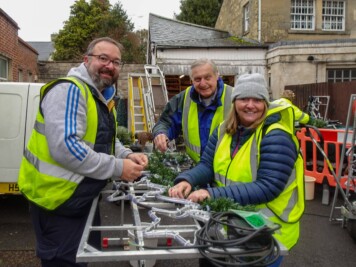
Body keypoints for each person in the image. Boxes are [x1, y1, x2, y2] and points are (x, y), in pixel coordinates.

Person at [18, 37, 148, 267]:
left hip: (79, 199)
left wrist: (126, 155)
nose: (109, 65)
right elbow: (67, 148)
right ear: (86, 60)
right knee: (65, 263)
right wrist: (118, 168)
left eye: (116, 61)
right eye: (103, 58)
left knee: (83, 260)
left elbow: (105, 138)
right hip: (57, 203)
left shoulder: (101, 95)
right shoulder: (70, 91)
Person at [169, 73, 305, 266]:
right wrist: (187, 180)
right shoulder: (224, 129)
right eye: (244, 99)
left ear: (265, 102)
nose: (250, 105)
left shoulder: (276, 136)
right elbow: (207, 165)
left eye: (257, 99)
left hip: (267, 229)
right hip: (232, 223)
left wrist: (211, 194)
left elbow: (268, 187)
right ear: (235, 102)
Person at [152, 58, 233, 163]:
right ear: (191, 80)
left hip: (228, 172)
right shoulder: (183, 100)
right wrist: (161, 133)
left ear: (217, 75)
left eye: (207, 78)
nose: (203, 83)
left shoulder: (235, 98)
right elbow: (165, 122)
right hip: (198, 170)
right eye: (197, 79)